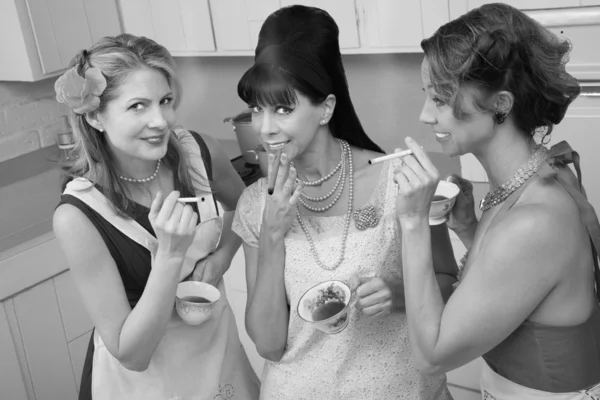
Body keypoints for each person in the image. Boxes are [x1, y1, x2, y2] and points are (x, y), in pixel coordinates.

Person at [232, 5, 458, 399]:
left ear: (327, 108)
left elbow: (449, 284)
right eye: (257, 110)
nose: (265, 129)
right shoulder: (257, 203)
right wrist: (271, 235)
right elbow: (268, 345)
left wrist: (399, 293)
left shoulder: (399, 179)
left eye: (283, 109)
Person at [393, 3, 600, 399]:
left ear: (501, 105)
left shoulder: (535, 220)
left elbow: (431, 356)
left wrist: (415, 223)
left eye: (441, 99)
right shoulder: (533, 177)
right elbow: (524, 284)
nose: (424, 115)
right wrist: (467, 228)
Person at [52, 33, 260, 400]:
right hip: (142, 384)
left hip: (218, 358)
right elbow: (132, 355)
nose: (160, 120)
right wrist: (170, 255)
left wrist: (222, 258)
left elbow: (244, 207)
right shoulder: (79, 216)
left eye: (165, 101)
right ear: (97, 117)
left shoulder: (199, 152)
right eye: (137, 106)